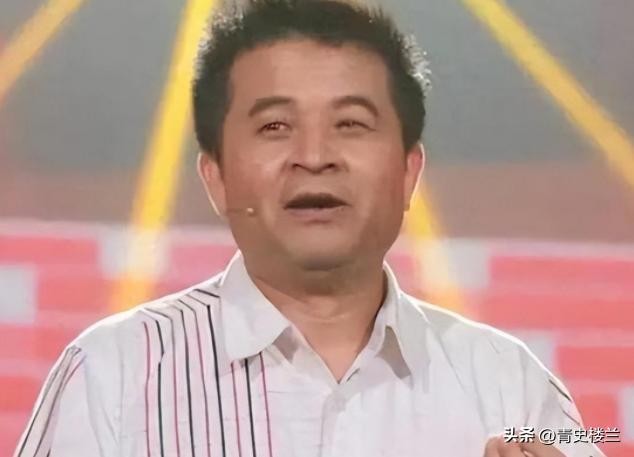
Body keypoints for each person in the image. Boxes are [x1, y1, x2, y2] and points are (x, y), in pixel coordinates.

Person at [15, 1, 605, 456]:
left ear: (409, 172)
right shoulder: (109, 374)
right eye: (275, 126)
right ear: (215, 176)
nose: (315, 156)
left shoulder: (514, 384)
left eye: (351, 123)